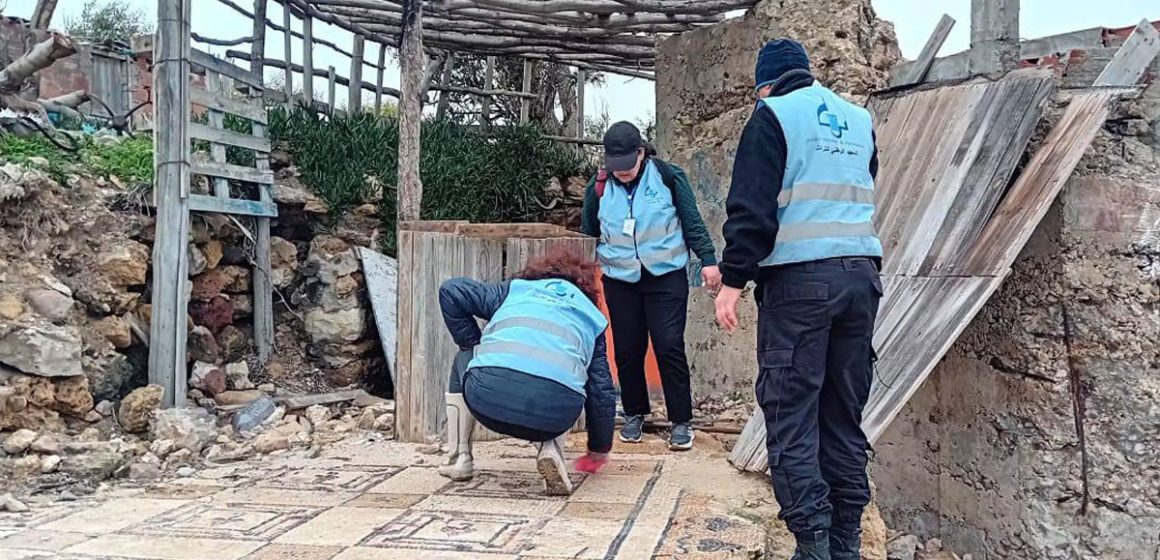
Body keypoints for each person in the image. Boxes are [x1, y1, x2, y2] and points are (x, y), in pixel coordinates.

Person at [714, 39, 884, 560]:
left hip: (801, 287)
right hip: (860, 279)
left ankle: (812, 546)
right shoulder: (857, 118)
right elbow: (863, 185)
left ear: (764, 85)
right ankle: (846, 544)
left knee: (790, 416)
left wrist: (733, 280)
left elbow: (752, 208)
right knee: (841, 414)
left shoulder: (772, 116)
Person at [580, 121, 720, 451]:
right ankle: (634, 412)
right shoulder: (599, 186)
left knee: (669, 344)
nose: (623, 172)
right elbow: (588, 233)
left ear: (641, 152)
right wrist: (583, 274)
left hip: (665, 277)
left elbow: (691, 220)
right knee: (627, 350)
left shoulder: (668, 176)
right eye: (617, 166)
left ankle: (681, 420)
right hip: (620, 279)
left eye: (628, 165)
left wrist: (709, 260)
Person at [437, 249, 616, 495]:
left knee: (465, 357)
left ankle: (459, 458)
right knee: (564, 376)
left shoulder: (515, 291)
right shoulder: (590, 317)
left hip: (486, 400)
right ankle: (552, 450)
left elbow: (452, 290)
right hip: (553, 417)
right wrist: (598, 449)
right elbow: (602, 391)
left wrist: (472, 344)